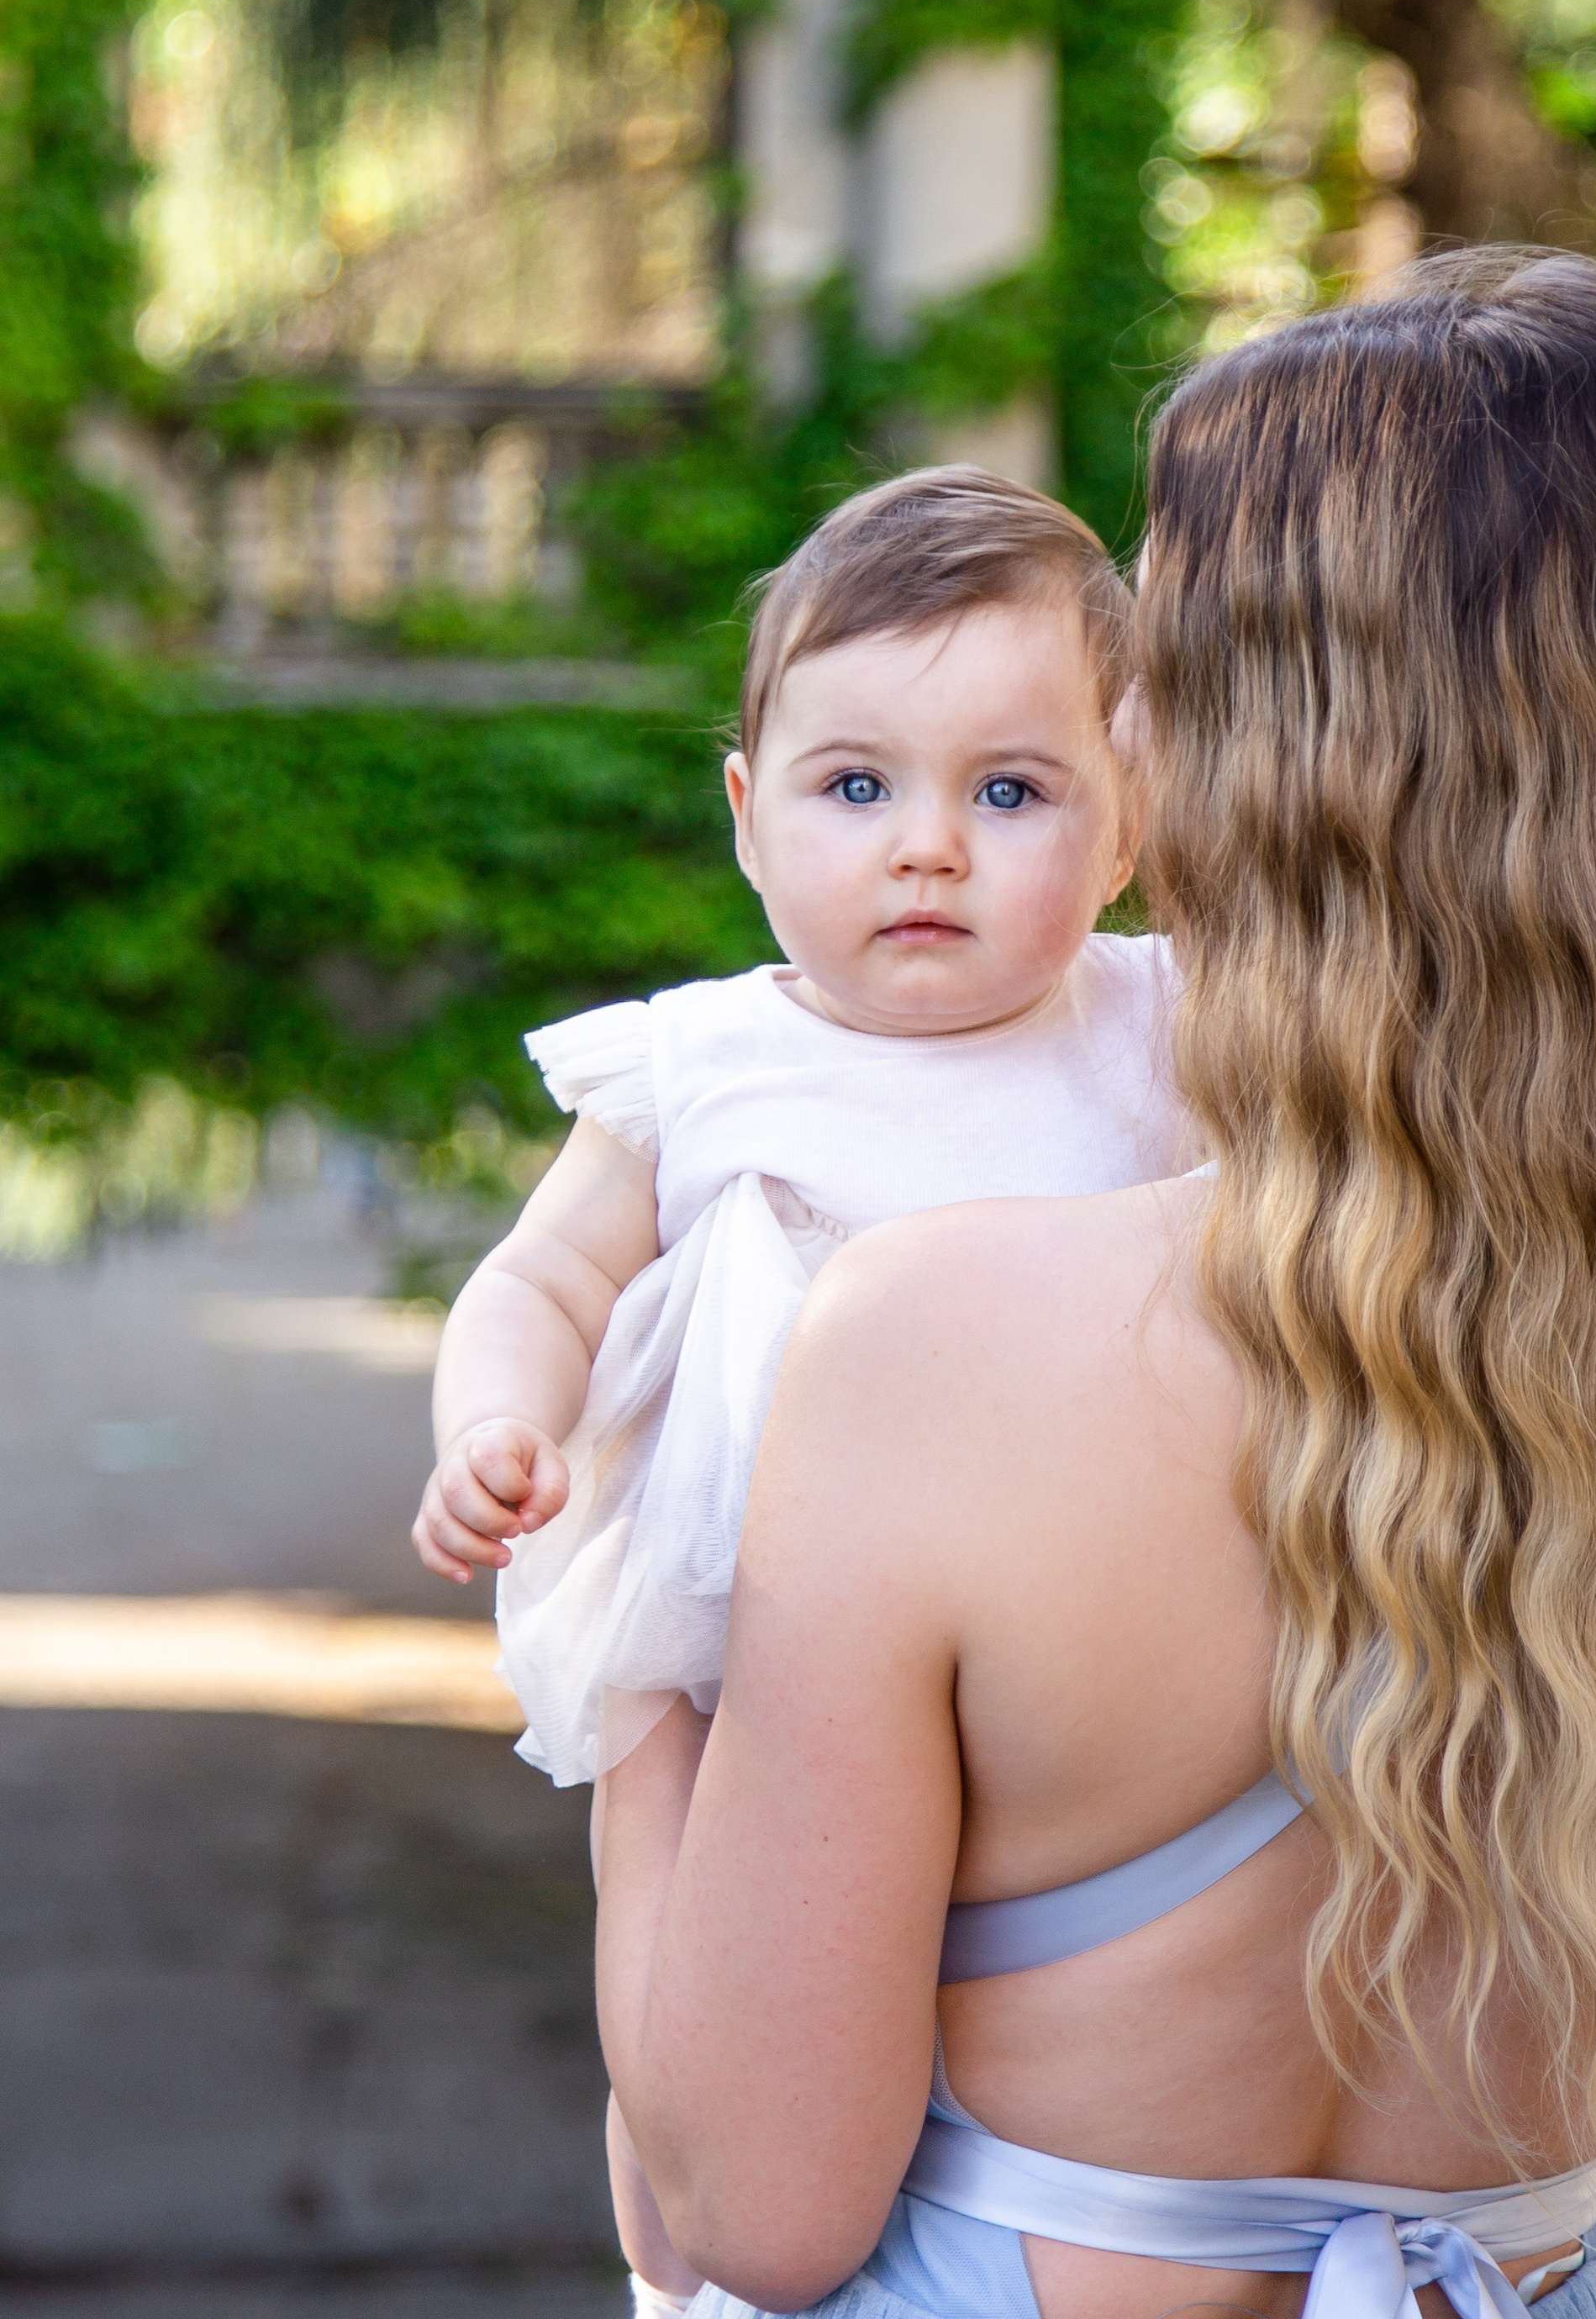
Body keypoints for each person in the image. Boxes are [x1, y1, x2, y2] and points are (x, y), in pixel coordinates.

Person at [595, 246, 1596, 2319]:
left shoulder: (939, 1348)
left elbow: (750, 2208)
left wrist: (631, 1668)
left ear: (1253, 763)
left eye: (1158, 653)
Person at [411, 466, 1194, 2313]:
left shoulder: (1158, 1029)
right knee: (679, 1915)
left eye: (1008, 792)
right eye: (857, 789)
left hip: (1050, 1644)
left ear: (1128, 824)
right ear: (752, 821)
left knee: (971, 1983)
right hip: (728, 1642)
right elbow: (539, 1279)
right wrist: (492, 1430)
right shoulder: (701, 1068)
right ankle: (670, 2214)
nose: (927, 846)